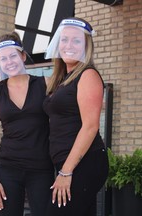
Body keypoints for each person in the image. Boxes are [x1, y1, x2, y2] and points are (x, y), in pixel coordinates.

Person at [43, 17, 109, 215]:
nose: (68, 45)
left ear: (86, 47)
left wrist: (66, 171)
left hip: (83, 163)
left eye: (76, 41)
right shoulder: (61, 79)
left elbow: (90, 127)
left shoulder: (88, 75)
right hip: (68, 163)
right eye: (64, 40)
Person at [0, 31, 54, 216]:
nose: (9, 62)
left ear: (23, 55)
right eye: (3, 58)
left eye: (13, 55)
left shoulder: (45, 84)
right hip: (7, 168)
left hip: (41, 168)